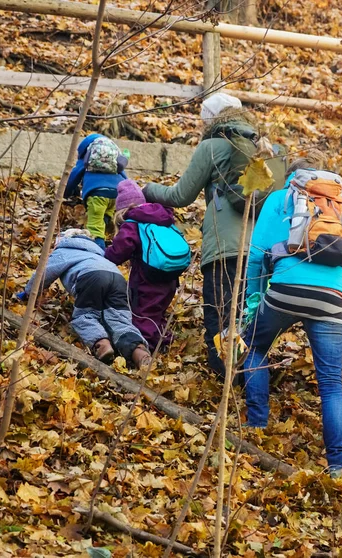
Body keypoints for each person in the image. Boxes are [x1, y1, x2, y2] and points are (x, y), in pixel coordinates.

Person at [242, 152, 342, 475]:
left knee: (255, 345)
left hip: (286, 286)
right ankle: (339, 464)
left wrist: (253, 301)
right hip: (333, 296)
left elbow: (257, 257)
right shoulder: (340, 204)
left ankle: (257, 426)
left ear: (292, 176)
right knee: (330, 383)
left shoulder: (279, 198)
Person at [143, 93, 286, 379]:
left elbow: (180, 195)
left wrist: (147, 189)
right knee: (251, 318)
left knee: (220, 319)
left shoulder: (211, 147)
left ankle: (228, 384)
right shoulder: (264, 148)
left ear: (210, 119)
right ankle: (254, 381)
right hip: (262, 250)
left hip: (225, 249)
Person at [17, 229, 152, 369]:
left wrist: (28, 292)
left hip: (91, 277)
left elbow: (45, 273)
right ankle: (140, 353)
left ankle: (102, 345)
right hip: (118, 279)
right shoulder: (98, 253)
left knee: (86, 315)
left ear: (62, 240)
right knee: (119, 319)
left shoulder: (64, 250)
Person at [104, 179, 180, 352]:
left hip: (147, 278)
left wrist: (104, 256)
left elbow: (119, 251)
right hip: (170, 275)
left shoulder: (133, 223)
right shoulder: (162, 218)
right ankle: (163, 340)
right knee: (158, 309)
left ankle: (146, 349)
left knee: (143, 313)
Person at [64, 134, 129, 249]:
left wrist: (67, 192)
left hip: (97, 194)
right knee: (106, 213)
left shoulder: (87, 157)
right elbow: (123, 174)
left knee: (95, 229)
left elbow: (74, 176)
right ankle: (105, 222)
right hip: (116, 194)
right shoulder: (112, 156)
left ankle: (98, 252)